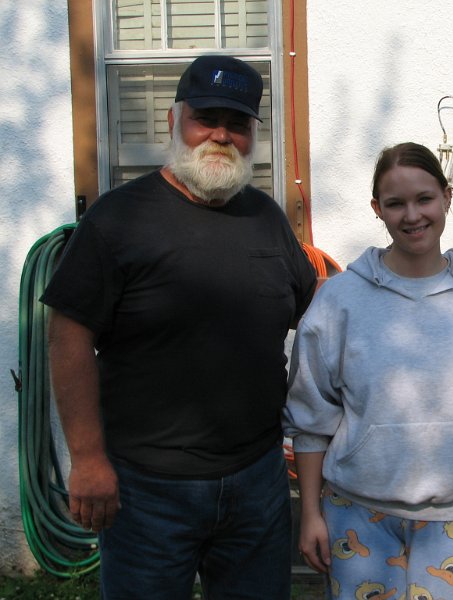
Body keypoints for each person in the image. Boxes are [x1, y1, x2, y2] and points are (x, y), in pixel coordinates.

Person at [42, 55, 317, 599]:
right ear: (175, 121)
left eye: (236, 124)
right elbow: (68, 338)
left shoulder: (265, 216)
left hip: (256, 479)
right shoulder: (118, 219)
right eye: (206, 118)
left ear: (252, 135)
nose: (220, 134)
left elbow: (315, 316)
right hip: (148, 489)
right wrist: (89, 459)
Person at [282, 142, 453, 599]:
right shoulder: (339, 302)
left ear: (447, 196)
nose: (412, 215)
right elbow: (313, 419)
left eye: (424, 199)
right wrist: (310, 512)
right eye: (396, 204)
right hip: (358, 515)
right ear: (378, 209)